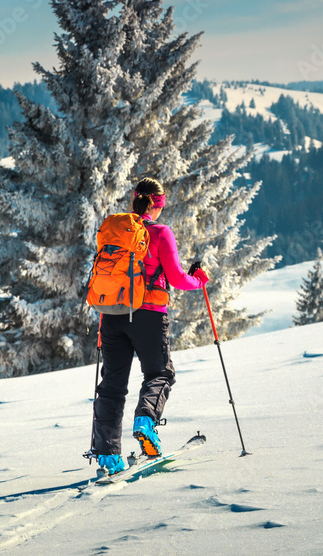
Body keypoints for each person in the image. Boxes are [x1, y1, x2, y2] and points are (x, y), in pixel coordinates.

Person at [93, 177, 209, 475]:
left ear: (134, 200)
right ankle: (145, 421)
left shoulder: (115, 232)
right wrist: (199, 280)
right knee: (159, 373)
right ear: (157, 204)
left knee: (112, 385)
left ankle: (107, 455)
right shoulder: (159, 232)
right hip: (148, 314)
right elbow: (177, 278)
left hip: (112, 314)